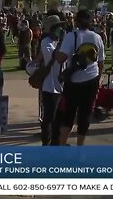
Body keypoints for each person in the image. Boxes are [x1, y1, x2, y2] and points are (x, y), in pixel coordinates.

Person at [56, 9, 105, 146]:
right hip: (92, 80)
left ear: (76, 21)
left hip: (73, 81)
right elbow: (100, 63)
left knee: (68, 115)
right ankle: (80, 149)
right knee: (84, 116)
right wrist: (99, 81)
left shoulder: (71, 36)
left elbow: (61, 58)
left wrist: (57, 48)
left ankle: (62, 146)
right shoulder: (97, 37)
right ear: (90, 21)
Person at [38, 15, 65, 146]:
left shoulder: (57, 42)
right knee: (49, 117)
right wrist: (62, 43)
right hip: (50, 85)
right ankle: (46, 142)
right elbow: (55, 57)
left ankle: (56, 142)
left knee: (58, 118)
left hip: (60, 85)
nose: (61, 29)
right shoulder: (46, 42)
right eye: (58, 27)